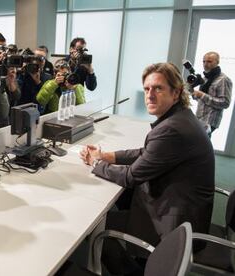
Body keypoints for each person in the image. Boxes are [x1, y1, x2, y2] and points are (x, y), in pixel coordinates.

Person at [80, 62, 214, 274]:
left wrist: (96, 163)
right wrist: (107, 156)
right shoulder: (180, 118)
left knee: (94, 225)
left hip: (171, 221)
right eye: (147, 89)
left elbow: (131, 177)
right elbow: (146, 153)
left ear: (176, 92)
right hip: (185, 209)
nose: (150, 95)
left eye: (158, 88)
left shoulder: (172, 129)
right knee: (117, 204)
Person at [192, 51, 232, 136]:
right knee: (197, 147)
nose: (205, 64)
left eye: (209, 61)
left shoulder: (223, 79)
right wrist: (191, 89)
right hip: (199, 118)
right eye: (204, 61)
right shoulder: (206, 78)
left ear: (217, 62)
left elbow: (225, 103)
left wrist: (202, 95)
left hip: (210, 121)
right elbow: (201, 100)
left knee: (200, 147)